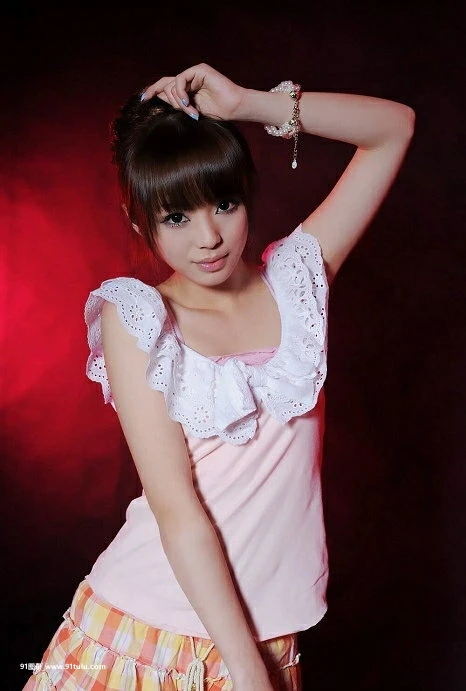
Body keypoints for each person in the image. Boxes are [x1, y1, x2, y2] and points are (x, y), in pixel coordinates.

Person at [24, 62, 414, 691]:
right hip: (148, 632)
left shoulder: (296, 281)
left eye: (225, 204)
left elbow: (394, 128)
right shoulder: (141, 319)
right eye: (176, 217)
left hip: (267, 637)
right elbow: (176, 509)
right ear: (140, 223)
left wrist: (250, 104)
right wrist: (244, 669)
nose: (208, 237)